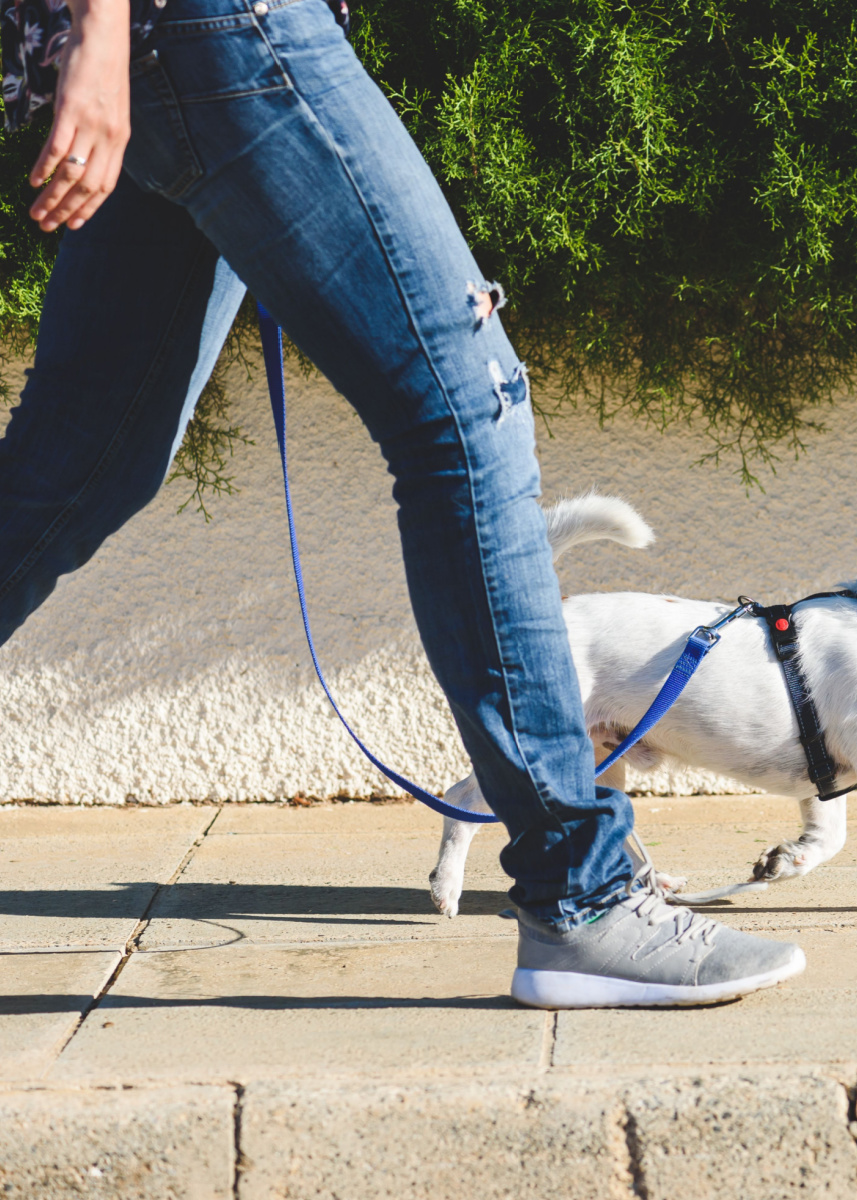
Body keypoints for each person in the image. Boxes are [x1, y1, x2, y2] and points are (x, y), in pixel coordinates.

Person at [0, 0, 804, 1007]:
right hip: (221, 25)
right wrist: (106, 28)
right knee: (469, 411)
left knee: (83, 462)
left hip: (178, 43)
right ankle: (584, 895)